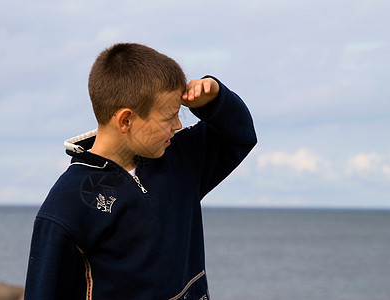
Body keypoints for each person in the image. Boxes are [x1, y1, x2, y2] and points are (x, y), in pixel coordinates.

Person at [24, 43, 257, 299]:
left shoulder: (180, 159)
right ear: (126, 120)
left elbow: (239, 136)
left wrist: (214, 100)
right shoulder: (67, 203)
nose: (179, 126)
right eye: (169, 117)